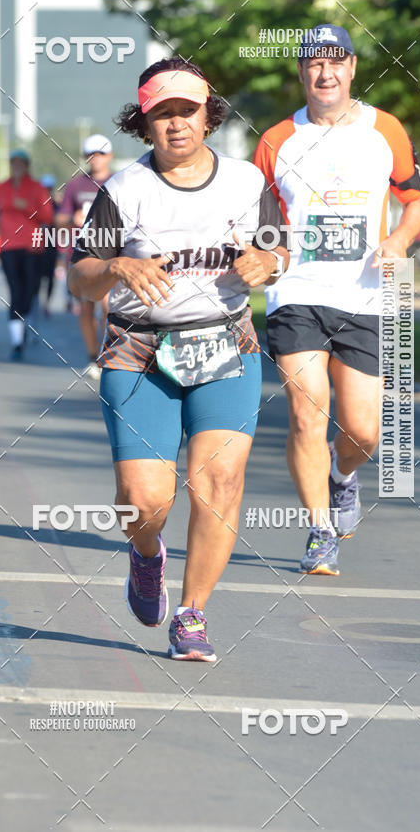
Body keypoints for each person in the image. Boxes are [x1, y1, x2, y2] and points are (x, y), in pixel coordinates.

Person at [68, 57, 288, 661]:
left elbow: (279, 251)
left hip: (226, 344)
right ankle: (145, 553)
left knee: (218, 480)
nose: (176, 124)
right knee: (146, 501)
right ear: (144, 122)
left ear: (208, 115)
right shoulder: (122, 191)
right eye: (161, 113)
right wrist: (116, 266)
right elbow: (80, 278)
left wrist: (268, 265)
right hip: (139, 350)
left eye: (186, 111)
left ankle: (192, 614)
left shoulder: (247, 183)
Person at [253, 24, 420, 575]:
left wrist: (399, 241)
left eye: (335, 62)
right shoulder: (276, 140)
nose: (324, 73)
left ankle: (343, 476)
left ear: (352, 68)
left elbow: (416, 201)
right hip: (297, 294)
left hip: (365, 298)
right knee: (308, 416)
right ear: (302, 72)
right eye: (314, 63)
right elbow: (258, 222)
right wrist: (260, 258)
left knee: (363, 432)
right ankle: (319, 530)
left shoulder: (386, 130)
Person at [0, 150, 53, 359]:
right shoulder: (1, 188)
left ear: (27, 166)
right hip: (9, 246)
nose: (17, 167)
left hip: (32, 246)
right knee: (15, 289)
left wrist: (29, 208)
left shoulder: (37, 188)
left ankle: (26, 320)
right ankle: (17, 341)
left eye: (21, 164)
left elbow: (48, 217)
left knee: (30, 289)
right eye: (14, 164)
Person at [58, 134, 114, 379]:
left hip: (112, 254)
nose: (96, 159)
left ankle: (109, 355)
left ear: (109, 156)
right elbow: (59, 218)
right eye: (91, 154)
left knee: (109, 306)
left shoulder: (119, 182)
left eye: (100, 153)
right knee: (87, 307)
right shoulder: (75, 185)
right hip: (82, 254)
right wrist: (72, 220)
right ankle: (93, 357)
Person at [38, 173, 60, 317]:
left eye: (49, 188)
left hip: (51, 245)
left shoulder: (56, 206)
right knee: (37, 277)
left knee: (50, 277)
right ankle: (36, 303)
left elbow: (60, 223)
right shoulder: (36, 205)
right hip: (37, 245)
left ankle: (46, 304)